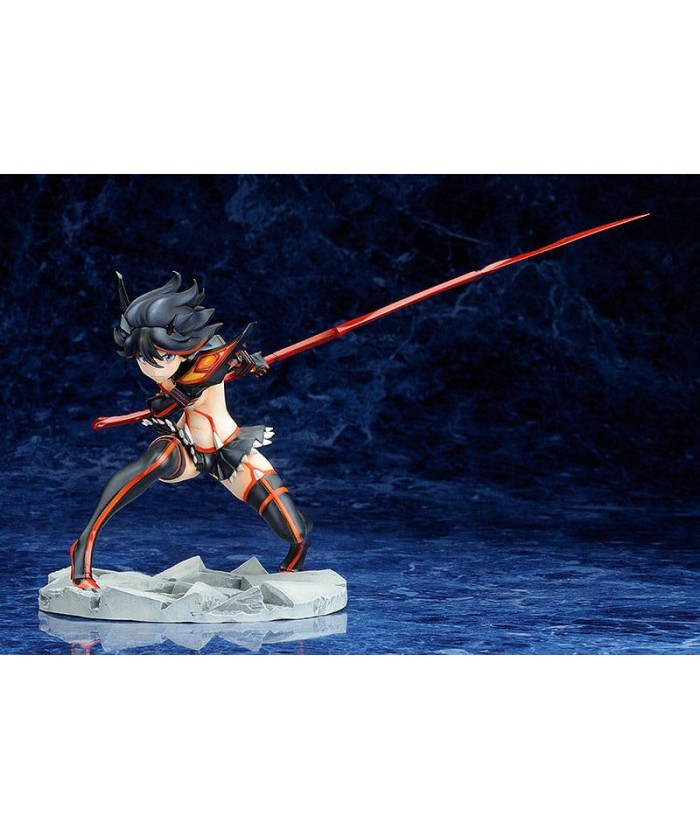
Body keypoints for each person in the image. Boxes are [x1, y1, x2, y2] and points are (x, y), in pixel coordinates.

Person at [69, 271, 312, 589]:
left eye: (161, 355)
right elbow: (163, 403)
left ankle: (296, 556)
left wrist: (248, 361)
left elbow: (230, 358)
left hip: (229, 450)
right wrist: (175, 395)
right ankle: (85, 544)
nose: (151, 367)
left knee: (294, 531)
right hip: (188, 449)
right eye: (142, 358)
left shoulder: (211, 353)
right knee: (158, 458)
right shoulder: (169, 376)